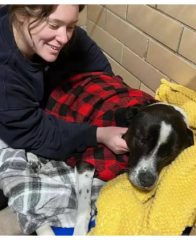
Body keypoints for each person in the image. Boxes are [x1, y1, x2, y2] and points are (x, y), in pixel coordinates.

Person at [0, 5, 128, 234]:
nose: (64, 37)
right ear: (21, 14)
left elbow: (100, 73)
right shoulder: (5, 73)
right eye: (54, 25)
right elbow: (34, 132)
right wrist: (98, 133)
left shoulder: (64, 37)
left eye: (71, 26)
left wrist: (112, 102)